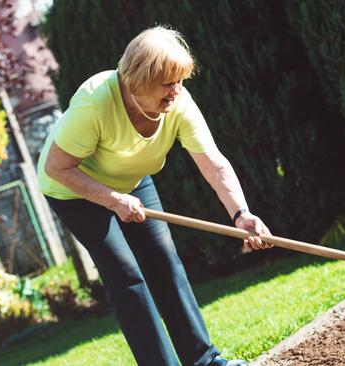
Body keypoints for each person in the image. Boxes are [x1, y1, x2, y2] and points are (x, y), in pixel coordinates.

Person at [36, 26, 272, 366]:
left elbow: (214, 163)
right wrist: (112, 199)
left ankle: (204, 360)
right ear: (139, 79)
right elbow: (57, 168)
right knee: (125, 272)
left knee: (164, 258)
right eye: (167, 82)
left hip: (130, 180)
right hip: (74, 188)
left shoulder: (179, 104)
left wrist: (241, 214)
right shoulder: (95, 102)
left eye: (180, 80)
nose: (176, 90)